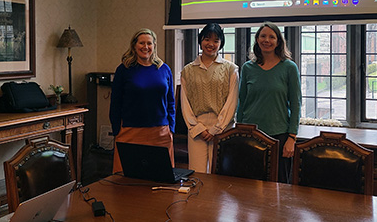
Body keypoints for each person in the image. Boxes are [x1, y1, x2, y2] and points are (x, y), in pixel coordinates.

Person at [236, 22, 301, 183]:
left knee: (279, 188)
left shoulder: (289, 68)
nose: (267, 40)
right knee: (251, 186)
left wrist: (292, 137)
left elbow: (296, 103)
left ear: (278, 41)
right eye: (263, 36)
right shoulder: (247, 68)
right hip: (252, 134)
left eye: (272, 37)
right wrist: (241, 131)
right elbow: (242, 101)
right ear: (257, 40)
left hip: (280, 136)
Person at [110, 28, 176, 174]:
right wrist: (116, 129)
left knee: (161, 177)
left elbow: (171, 102)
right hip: (130, 132)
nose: (145, 47)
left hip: (160, 133)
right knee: (126, 178)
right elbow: (115, 102)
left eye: (149, 43)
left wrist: (171, 128)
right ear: (134, 45)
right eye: (141, 43)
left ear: (154, 46)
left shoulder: (164, 69)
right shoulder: (124, 70)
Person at [179, 23, 238, 173]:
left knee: (220, 173)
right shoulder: (187, 71)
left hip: (223, 129)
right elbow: (185, 104)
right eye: (207, 39)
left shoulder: (231, 69)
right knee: (196, 174)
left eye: (216, 40)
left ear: (221, 44)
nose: (211, 44)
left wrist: (216, 128)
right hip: (196, 129)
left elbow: (232, 102)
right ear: (200, 41)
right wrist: (198, 128)